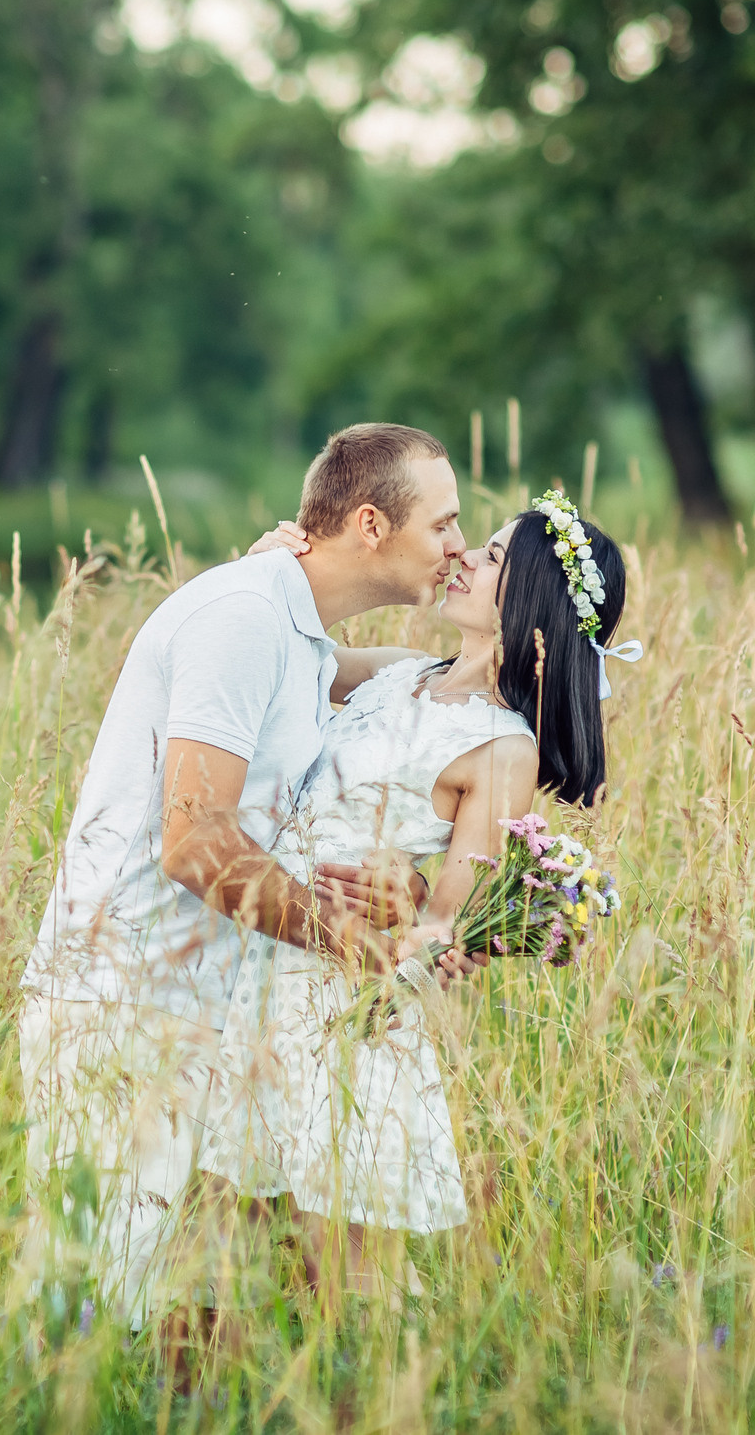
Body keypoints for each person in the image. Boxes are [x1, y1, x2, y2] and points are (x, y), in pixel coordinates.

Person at [16, 424, 477, 1339]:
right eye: (447, 523)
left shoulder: (296, 628)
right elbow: (193, 842)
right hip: (123, 994)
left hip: (199, 1003)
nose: (460, 545)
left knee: (156, 1296)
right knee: (97, 1293)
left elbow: (399, 706)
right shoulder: (246, 618)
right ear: (373, 523)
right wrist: (357, 944)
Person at [210, 488, 634, 1303]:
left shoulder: (501, 747)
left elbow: (446, 926)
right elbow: (304, 660)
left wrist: (411, 904)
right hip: (266, 967)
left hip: (346, 1008)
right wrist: (274, 576)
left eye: (496, 555)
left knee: (344, 1272)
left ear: (536, 597)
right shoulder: (404, 673)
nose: (466, 553)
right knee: (238, 1250)